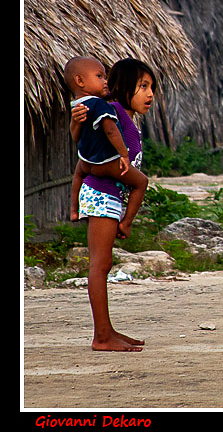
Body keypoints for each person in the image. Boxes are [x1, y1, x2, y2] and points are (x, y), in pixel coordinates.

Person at [71, 58, 157, 352]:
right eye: (143, 86)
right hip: (100, 194)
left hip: (109, 197)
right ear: (122, 86)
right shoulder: (113, 111)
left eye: (152, 87)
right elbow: (88, 153)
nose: (150, 94)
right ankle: (102, 337)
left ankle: (108, 331)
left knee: (103, 264)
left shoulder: (125, 116)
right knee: (100, 265)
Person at [65, 56, 149, 239]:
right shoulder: (104, 106)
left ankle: (74, 209)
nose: (150, 93)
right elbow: (111, 130)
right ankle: (127, 223)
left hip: (87, 159)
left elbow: (74, 136)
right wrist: (124, 155)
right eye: (143, 86)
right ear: (80, 81)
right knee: (142, 182)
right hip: (104, 171)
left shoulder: (81, 104)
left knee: (78, 173)